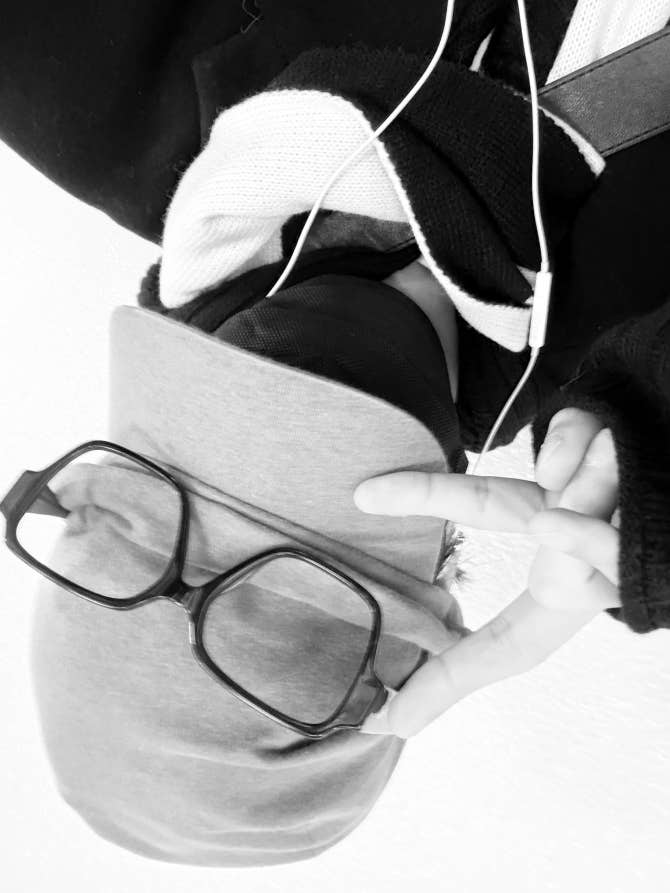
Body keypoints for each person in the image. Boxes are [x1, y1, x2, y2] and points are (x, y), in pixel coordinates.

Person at [1, 0, 669, 869]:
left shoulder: (75, 78)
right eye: (305, 551)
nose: (294, 407)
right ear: (443, 566)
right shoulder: (629, 398)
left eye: (153, 524)